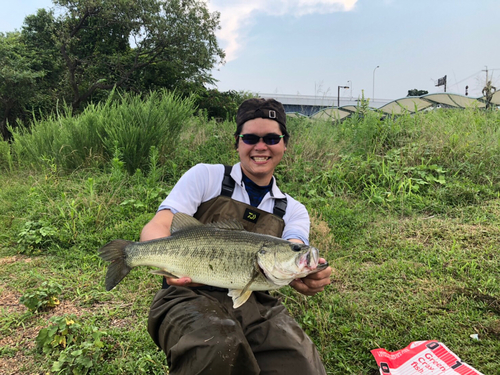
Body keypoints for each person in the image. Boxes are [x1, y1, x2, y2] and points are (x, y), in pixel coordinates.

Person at [141, 98, 332, 375]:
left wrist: (306, 273)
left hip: (256, 302)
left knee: (302, 364)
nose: (260, 146)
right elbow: (159, 225)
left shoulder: (293, 210)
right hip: (186, 295)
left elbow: (295, 246)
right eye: (250, 137)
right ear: (237, 142)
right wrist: (159, 260)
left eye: (271, 138)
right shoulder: (206, 177)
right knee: (216, 347)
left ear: (285, 143)